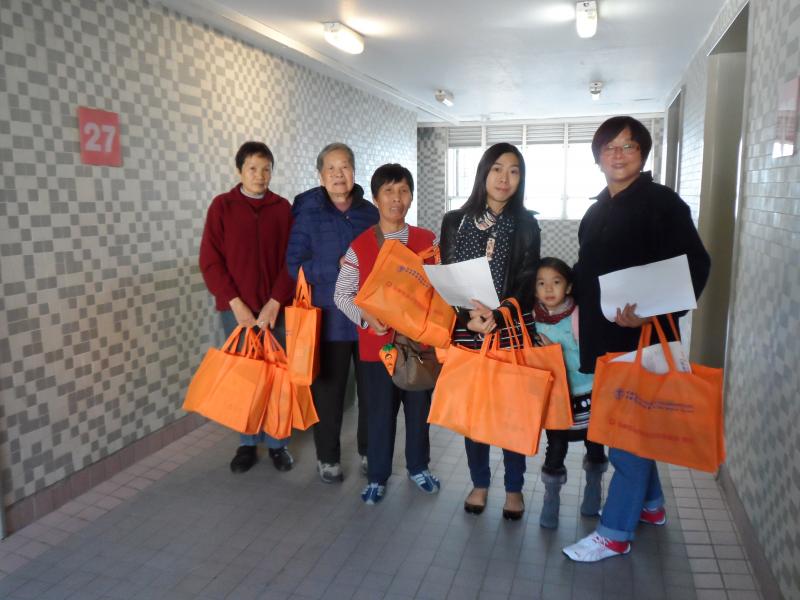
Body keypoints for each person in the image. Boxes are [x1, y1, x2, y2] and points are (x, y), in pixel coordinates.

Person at [562, 116, 711, 561]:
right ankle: (650, 506)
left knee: (626, 434)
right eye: (610, 146)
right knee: (629, 427)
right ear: (598, 157)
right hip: (604, 338)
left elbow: (696, 265)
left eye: (628, 146)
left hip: (642, 339)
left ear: (642, 154)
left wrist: (652, 311)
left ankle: (615, 532)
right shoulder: (596, 210)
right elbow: (589, 271)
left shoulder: (662, 203)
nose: (619, 154)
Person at [439, 142, 541, 520]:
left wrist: (497, 317)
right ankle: (480, 483)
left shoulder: (527, 224)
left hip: (508, 327)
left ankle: (514, 489)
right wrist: (466, 319)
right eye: (497, 169)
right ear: (483, 172)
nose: (504, 178)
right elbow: (446, 274)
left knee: (512, 412)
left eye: (514, 171)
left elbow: (527, 281)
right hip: (467, 331)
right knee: (476, 412)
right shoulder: (455, 220)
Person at [334, 163, 440, 505]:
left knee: (418, 412)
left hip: (421, 347)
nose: (397, 198)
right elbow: (342, 294)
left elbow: (441, 289)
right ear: (377, 199)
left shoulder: (428, 241)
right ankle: (378, 476)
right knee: (378, 414)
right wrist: (365, 318)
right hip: (377, 349)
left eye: (404, 190)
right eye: (389, 192)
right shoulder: (360, 246)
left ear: (411, 196)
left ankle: (418, 467)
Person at [199, 141, 296, 474]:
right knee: (244, 379)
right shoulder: (222, 207)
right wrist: (234, 303)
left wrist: (274, 302)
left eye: (266, 168)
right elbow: (210, 260)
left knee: (275, 377)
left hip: (275, 309)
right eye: (253, 168)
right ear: (239, 170)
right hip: (235, 311)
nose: (260, 175)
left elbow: (291, 261)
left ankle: (278, 444)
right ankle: (246, 443)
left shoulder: (282, 209)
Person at [287, 143, 378, 483]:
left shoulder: (370, 213)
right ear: (321, 175)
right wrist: (337, 267)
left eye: (345, 167)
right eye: (331, 169)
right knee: (329, 394)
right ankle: (327, 458)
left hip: (368, 319)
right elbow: (293, 266)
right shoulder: (307, 214)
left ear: (355, 172)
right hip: (327, 319)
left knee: (371, 392)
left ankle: (370, 451)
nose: (339, 175)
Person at [532, 257, 607, 528]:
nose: (548, 289)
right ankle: (550, 500)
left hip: (588, 392)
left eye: (556, 282)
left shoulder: (579, 315)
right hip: (556, 398)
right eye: (541, 283)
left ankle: (593, 490)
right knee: (556, 447)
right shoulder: (533, 319)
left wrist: (553, 351)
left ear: (569, 286)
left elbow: (587, 356)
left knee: (595, 444)